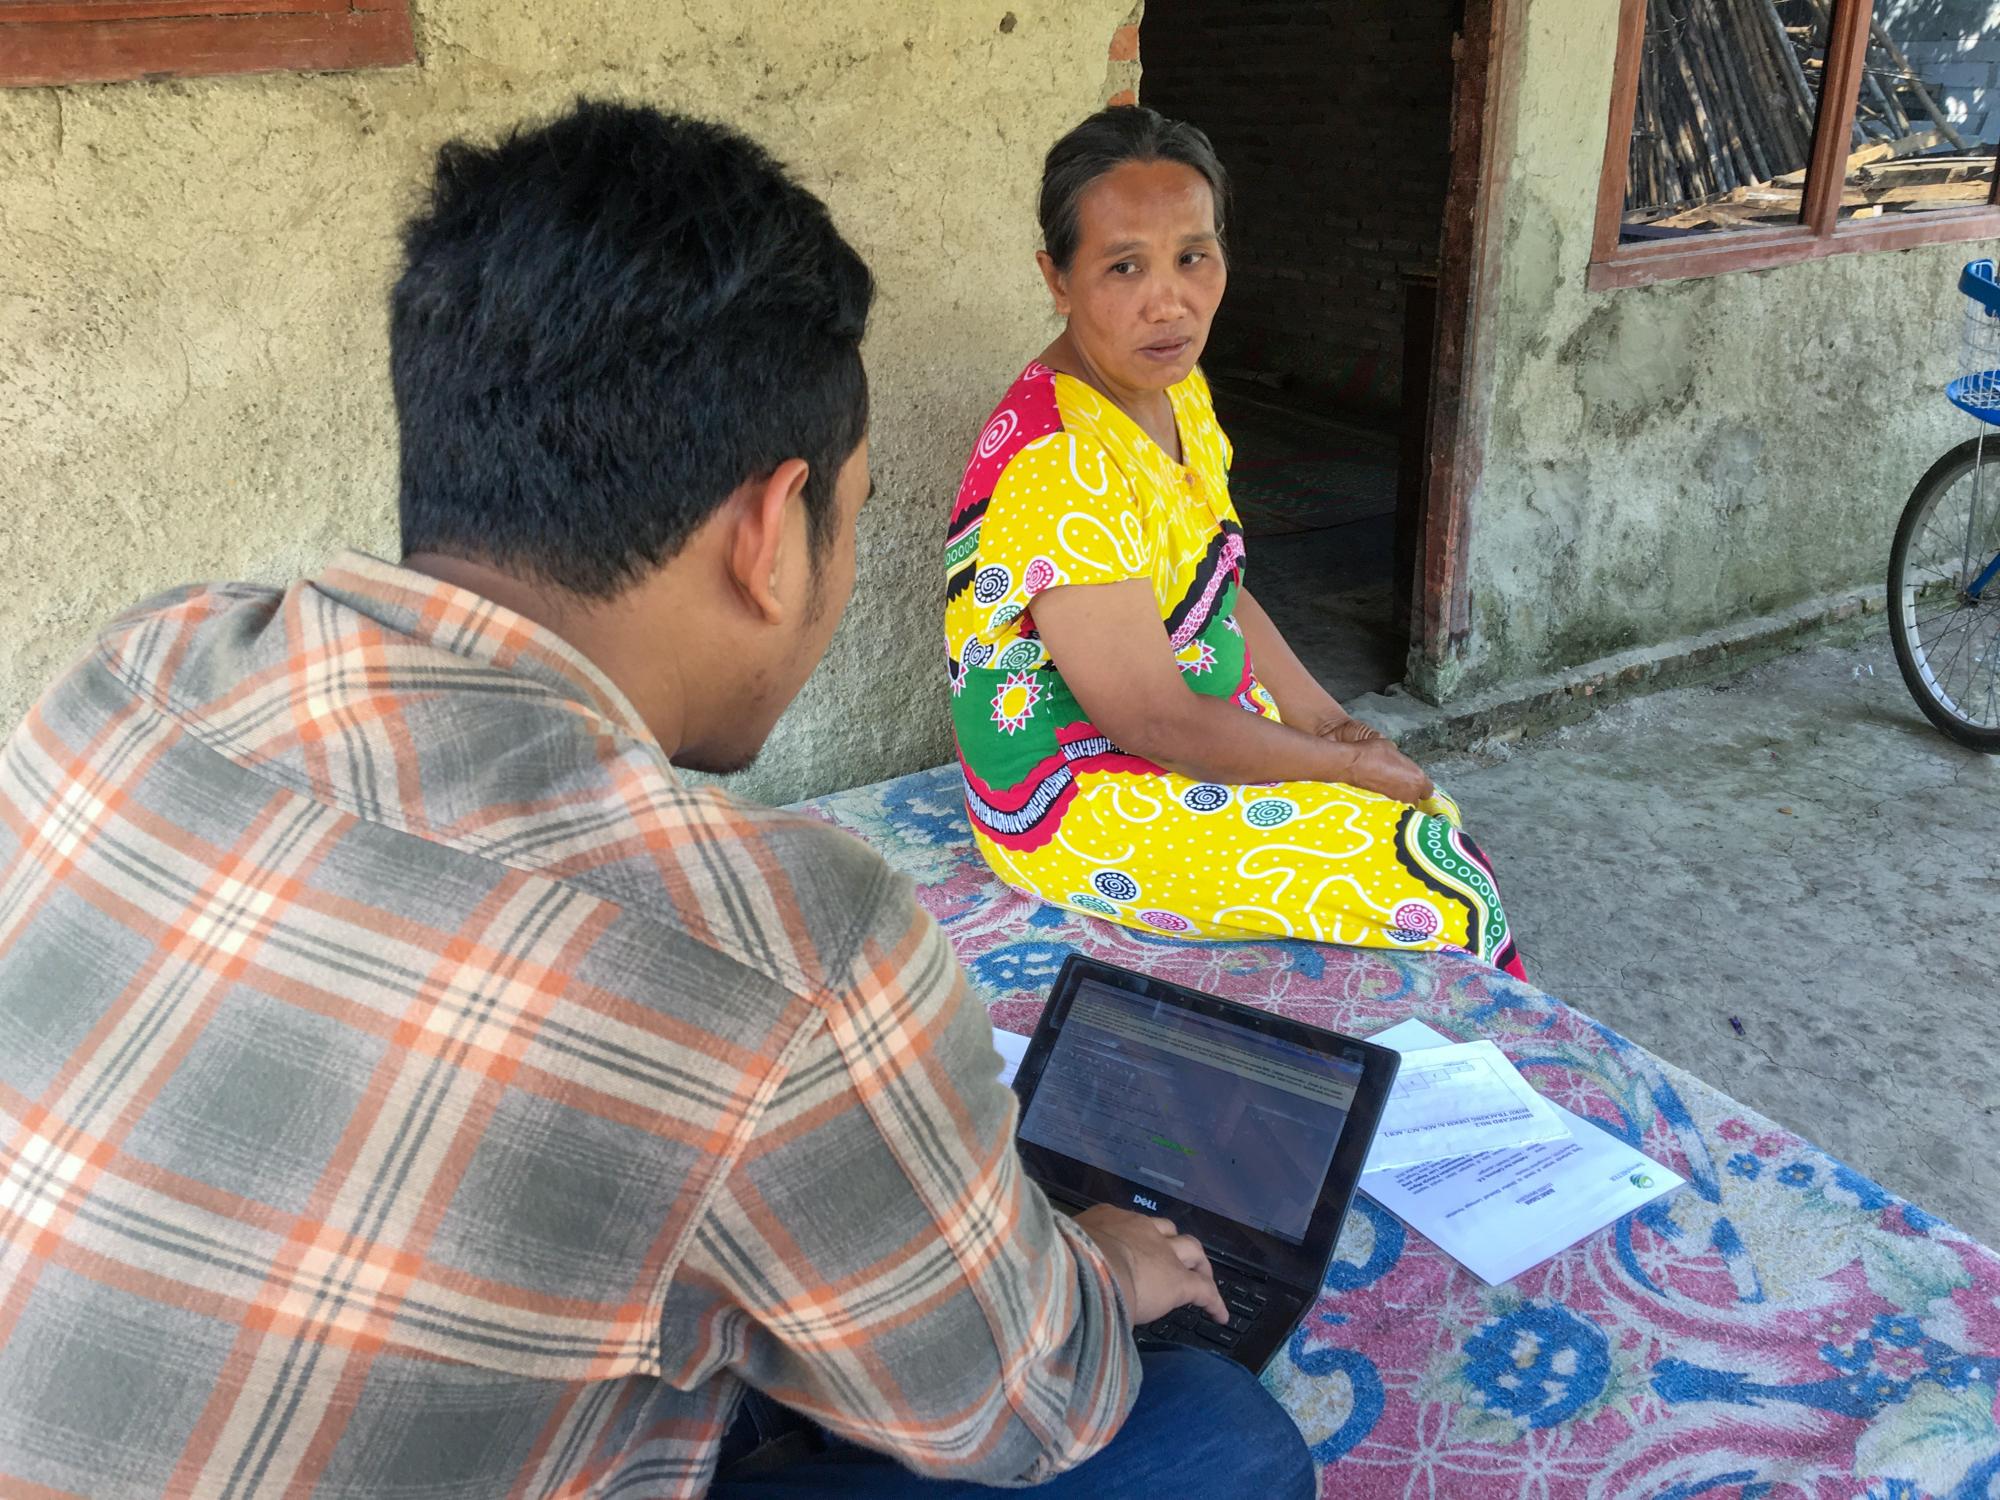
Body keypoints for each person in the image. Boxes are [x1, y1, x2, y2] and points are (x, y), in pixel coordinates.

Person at [0, 101, 1313, 1499]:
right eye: (851, 517)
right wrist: (1098, 1268)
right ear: (769, 530)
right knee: (1215, 1441)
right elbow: (1020, 1412)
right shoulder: (788, 943)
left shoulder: (136, 669)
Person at [944, 106, 1526, 979]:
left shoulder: (1177, 394)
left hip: (1179, 728)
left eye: (1193, 256)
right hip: (1080, 789)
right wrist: (1330, 760)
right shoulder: (1062, 462)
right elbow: (1148, 717)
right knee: (1441, 884)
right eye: (1123, 266)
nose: (1169, 300)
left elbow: (1220, 586)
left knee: (1421, 807)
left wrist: (1332, 726)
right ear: (1057, 280)